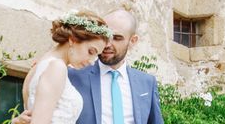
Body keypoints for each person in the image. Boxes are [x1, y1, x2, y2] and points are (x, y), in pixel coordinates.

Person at [14, 9, 163, 124]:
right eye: (91, 51)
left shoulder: (147, 83)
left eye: (117, 38)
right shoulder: (68, 72)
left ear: (133, 40)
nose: (108, 45)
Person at [18, 11, 112, 124]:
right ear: (72, 39)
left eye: (96, 56)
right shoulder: (57, 67)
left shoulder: (37, 68)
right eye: (91, 51)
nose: (92, 62)